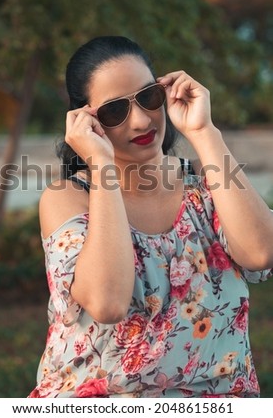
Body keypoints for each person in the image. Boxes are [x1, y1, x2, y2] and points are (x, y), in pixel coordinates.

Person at [29, 36, 273, 398]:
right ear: (84, 121)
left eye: (148, 97)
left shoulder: (209, 186)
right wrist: (101, 165)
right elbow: (108, 302)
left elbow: (261, 253)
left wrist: (203, 132)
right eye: (115, 111)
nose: (142, 120)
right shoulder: (68, 197)